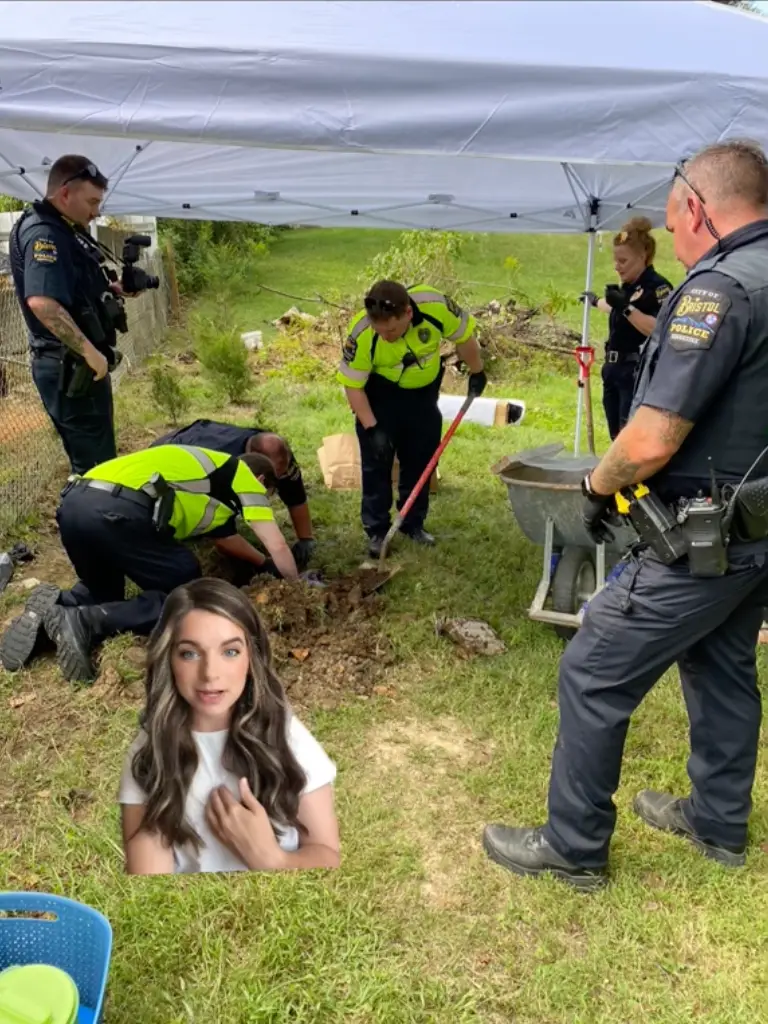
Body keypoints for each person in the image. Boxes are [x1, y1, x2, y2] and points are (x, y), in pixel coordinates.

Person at [483, 139, 768, 890]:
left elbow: (650, 440)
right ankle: (717, 823)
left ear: (698, 208)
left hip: (704, 535)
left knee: (593, 670)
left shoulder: (718, 291)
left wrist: (592, 489)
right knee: (723, 664)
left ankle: (573, 847)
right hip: (759, 530)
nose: (674, 236)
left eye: (675, 220)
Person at [0, 445, 299, 683]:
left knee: (103, 591)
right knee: (186, 594)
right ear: (261, 481)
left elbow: (227, 540)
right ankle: (85, 622)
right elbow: (278, 543)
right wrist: (295, 585)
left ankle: (59, 607)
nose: (264, 500)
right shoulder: (242, 476)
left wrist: (265, 565)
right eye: (268, 495)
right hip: (118, 513)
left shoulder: (203, 471)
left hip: (75, 505)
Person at [118, 578, 340, 874]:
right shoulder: (150, 751)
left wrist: (272, 860)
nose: (210, 674)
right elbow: (147, 885)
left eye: (230, 652)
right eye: (189, 653)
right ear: (168, 658)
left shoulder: (286, 735)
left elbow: (327, 856)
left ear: (252, 657)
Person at [338, 280, 486, 558]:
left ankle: (412, 523)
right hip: (378, 396)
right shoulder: (361, 333)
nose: (386, 336)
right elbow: (353, 386)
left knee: (422, 458)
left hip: (423, 395)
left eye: (391, 330)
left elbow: (464, 338)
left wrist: (477, 371)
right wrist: (373, 429)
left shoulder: (436, 306)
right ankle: (378, 531)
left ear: (407, 313)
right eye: (380, 331)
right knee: (377, 463)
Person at [9, 155, 129, 473]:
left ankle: (95, 515)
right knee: (95, 469)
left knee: (98, 461)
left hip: (76, 363)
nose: (96, 210)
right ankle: (91, 520)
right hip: (69, 365)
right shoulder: (44, 235)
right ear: (65, 194)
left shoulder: (64, 230)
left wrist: (114, 293)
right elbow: (43, 303)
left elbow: (74, 293)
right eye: (91, 201)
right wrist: (90, 353)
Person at [151, 418, 316, 570]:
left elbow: (295, 494)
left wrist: (305, 539)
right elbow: (224, 537)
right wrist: (265, 563)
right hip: (166, 458)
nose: (277, 481)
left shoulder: (276, 451)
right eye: (270, 480)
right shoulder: (219, 468)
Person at [580, 217, 674, 440]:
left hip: (634, 371)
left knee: (629, 437)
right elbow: (615, 309)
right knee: (616, 436)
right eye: (615, 260)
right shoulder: (629, 287)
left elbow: (658, 329)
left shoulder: (657, 287)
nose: (617, 266)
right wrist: (595, 301)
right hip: (613, 368)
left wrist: (625, 307)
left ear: (643, 256)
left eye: (623, 261)